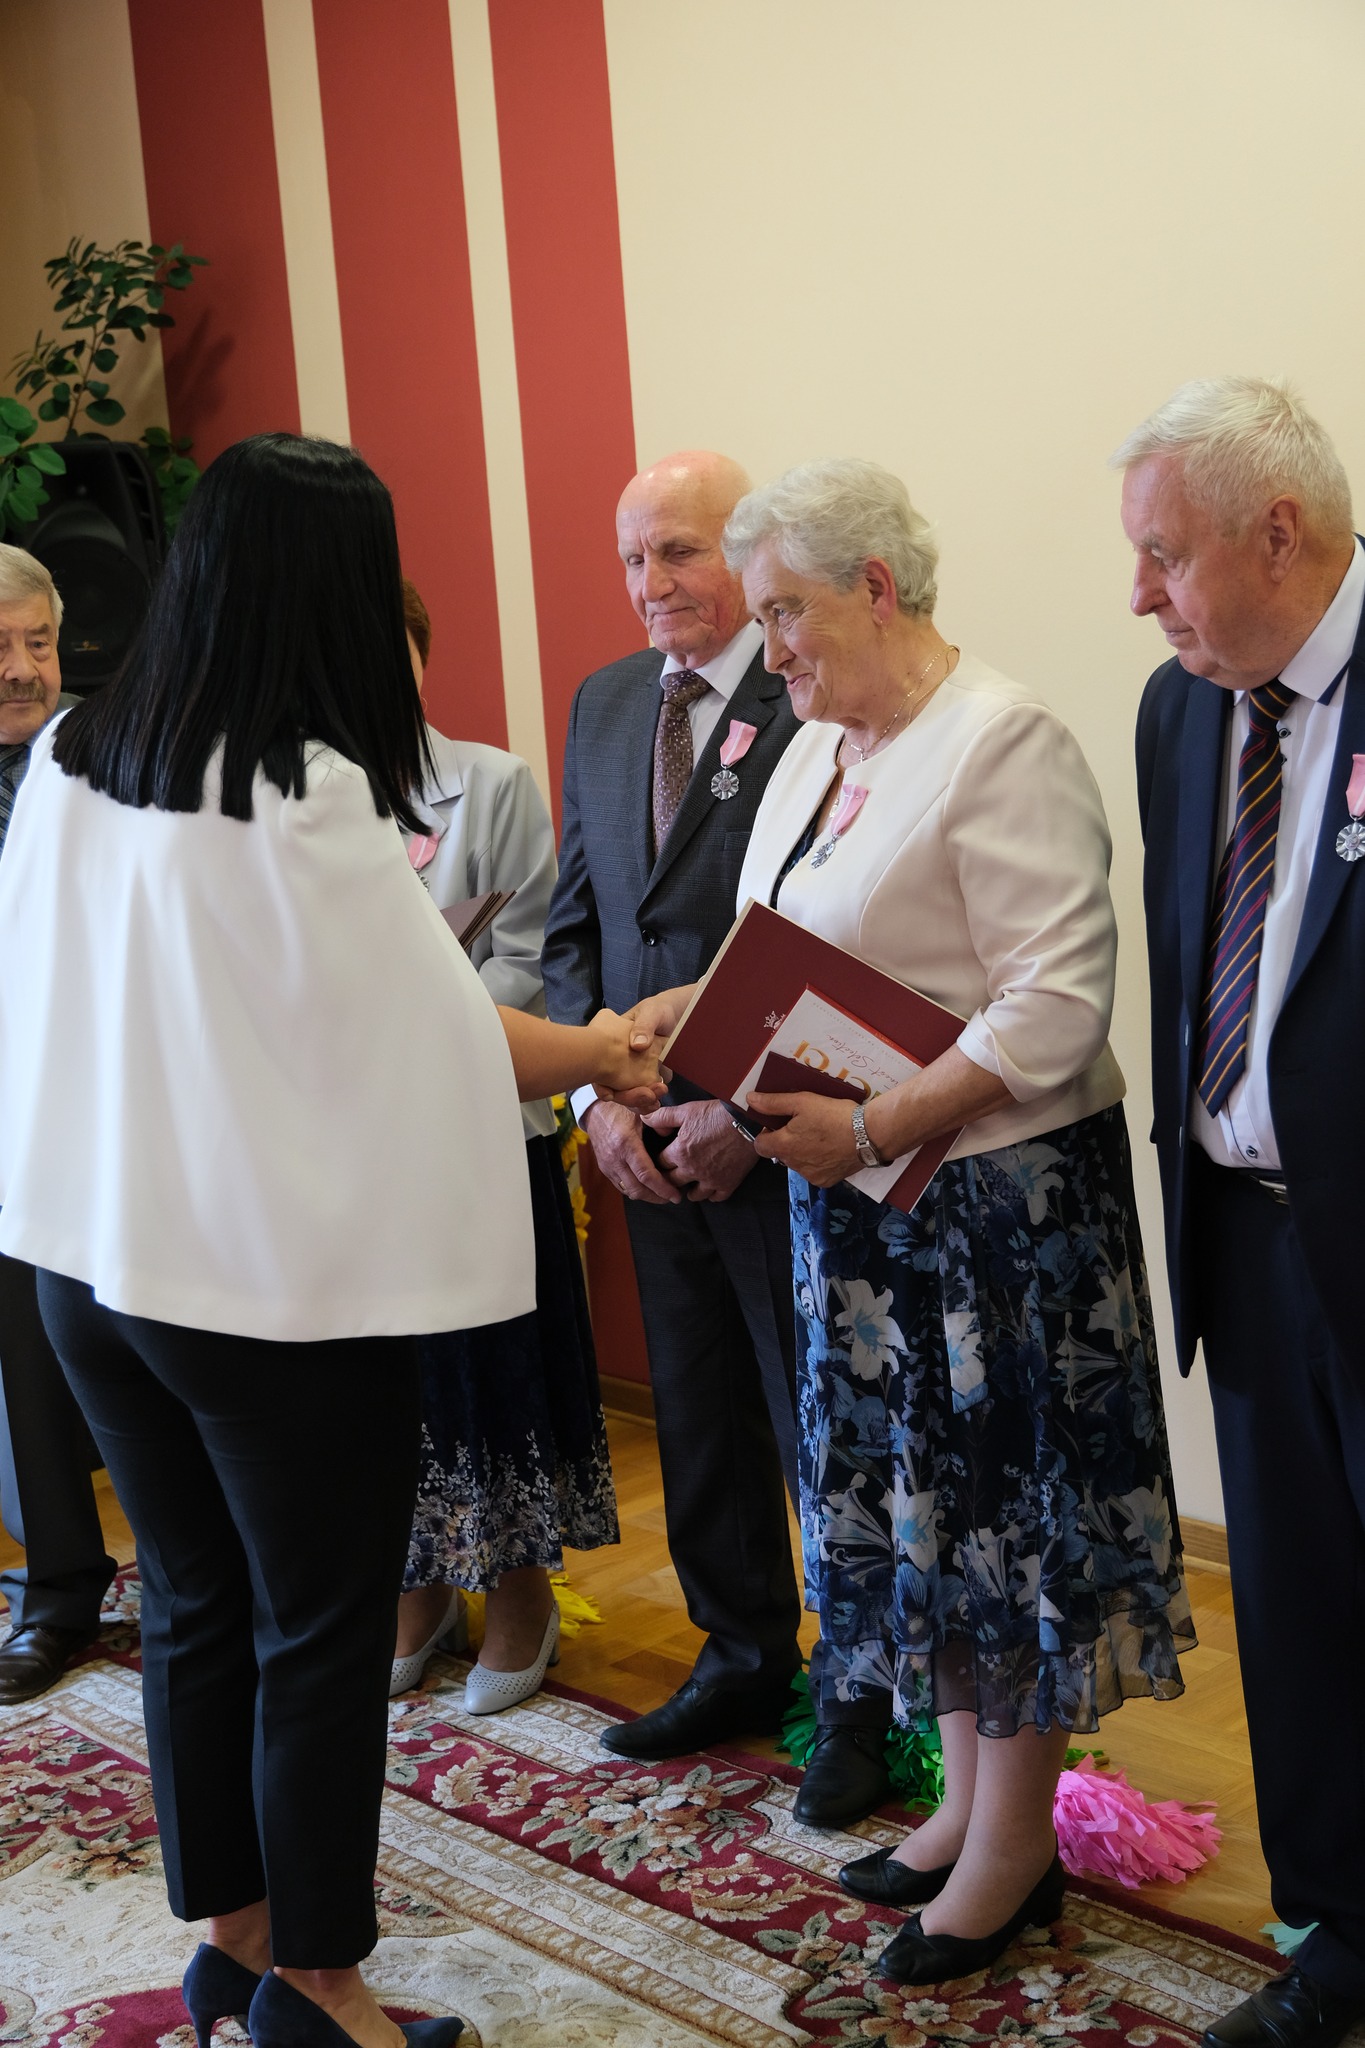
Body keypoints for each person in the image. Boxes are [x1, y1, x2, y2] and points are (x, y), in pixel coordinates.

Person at [0, 434, 661, 2048]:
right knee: (317, 1625)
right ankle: (319, 1990)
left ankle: (231, 1943)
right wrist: (612, 1045)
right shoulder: (304, 785)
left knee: (195, 1603)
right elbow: (447, 1031)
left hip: (89, 1265)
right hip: (255, 1297)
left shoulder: (78, 746)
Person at [631, 456, 1193, 1985]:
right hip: (864, 1215)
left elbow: (1056, 1008)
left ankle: (1012, 1850)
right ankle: (956, 1811)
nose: (770, 648)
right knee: (919, 1517)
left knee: (1005, 1529)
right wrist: (681, 1011)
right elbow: (782, 940)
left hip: (996, 1214)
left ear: (877, 587)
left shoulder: (1001, 736)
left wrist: (873, 1126)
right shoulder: (818, 744)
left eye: (786, 613)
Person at [541, 451, 869, 1814]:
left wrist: (737, 1112)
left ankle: (860, 1699)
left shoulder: (817, 693)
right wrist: (592, 1102)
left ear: (739, 559)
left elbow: (830, 936)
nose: (651, 582)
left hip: (776, 1138)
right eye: (632, 556)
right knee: (697, 1415)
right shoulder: (608, 701)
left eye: (678, 551)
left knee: (820, 1422)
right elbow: (575, 924)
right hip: (643, 1142)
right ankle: (740, 1654)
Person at [1117, 377, 1365, 2048]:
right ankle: (1344, 1930)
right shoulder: (1181, 709)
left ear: (1278, 532)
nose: (1140, 596)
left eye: (1164, 556)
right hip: (1249, 1233)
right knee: (1297, 1612)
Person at [391, 578, 618, 1710]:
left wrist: (419, 1031)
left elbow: (531, 958)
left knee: (494, 1372)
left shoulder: (489, 782)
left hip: (483, 1126)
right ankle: (420, 1587)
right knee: (400, 1385)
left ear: (422, 654)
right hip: (366, 1153)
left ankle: (521, 1591)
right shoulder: (300, 802)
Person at [0, 544, 116, 1706]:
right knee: (23, 1360)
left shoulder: (104, 751)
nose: (24, 667)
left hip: (109, 1099)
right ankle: (59, 1592)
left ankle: (193, 1575)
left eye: (39, 641)